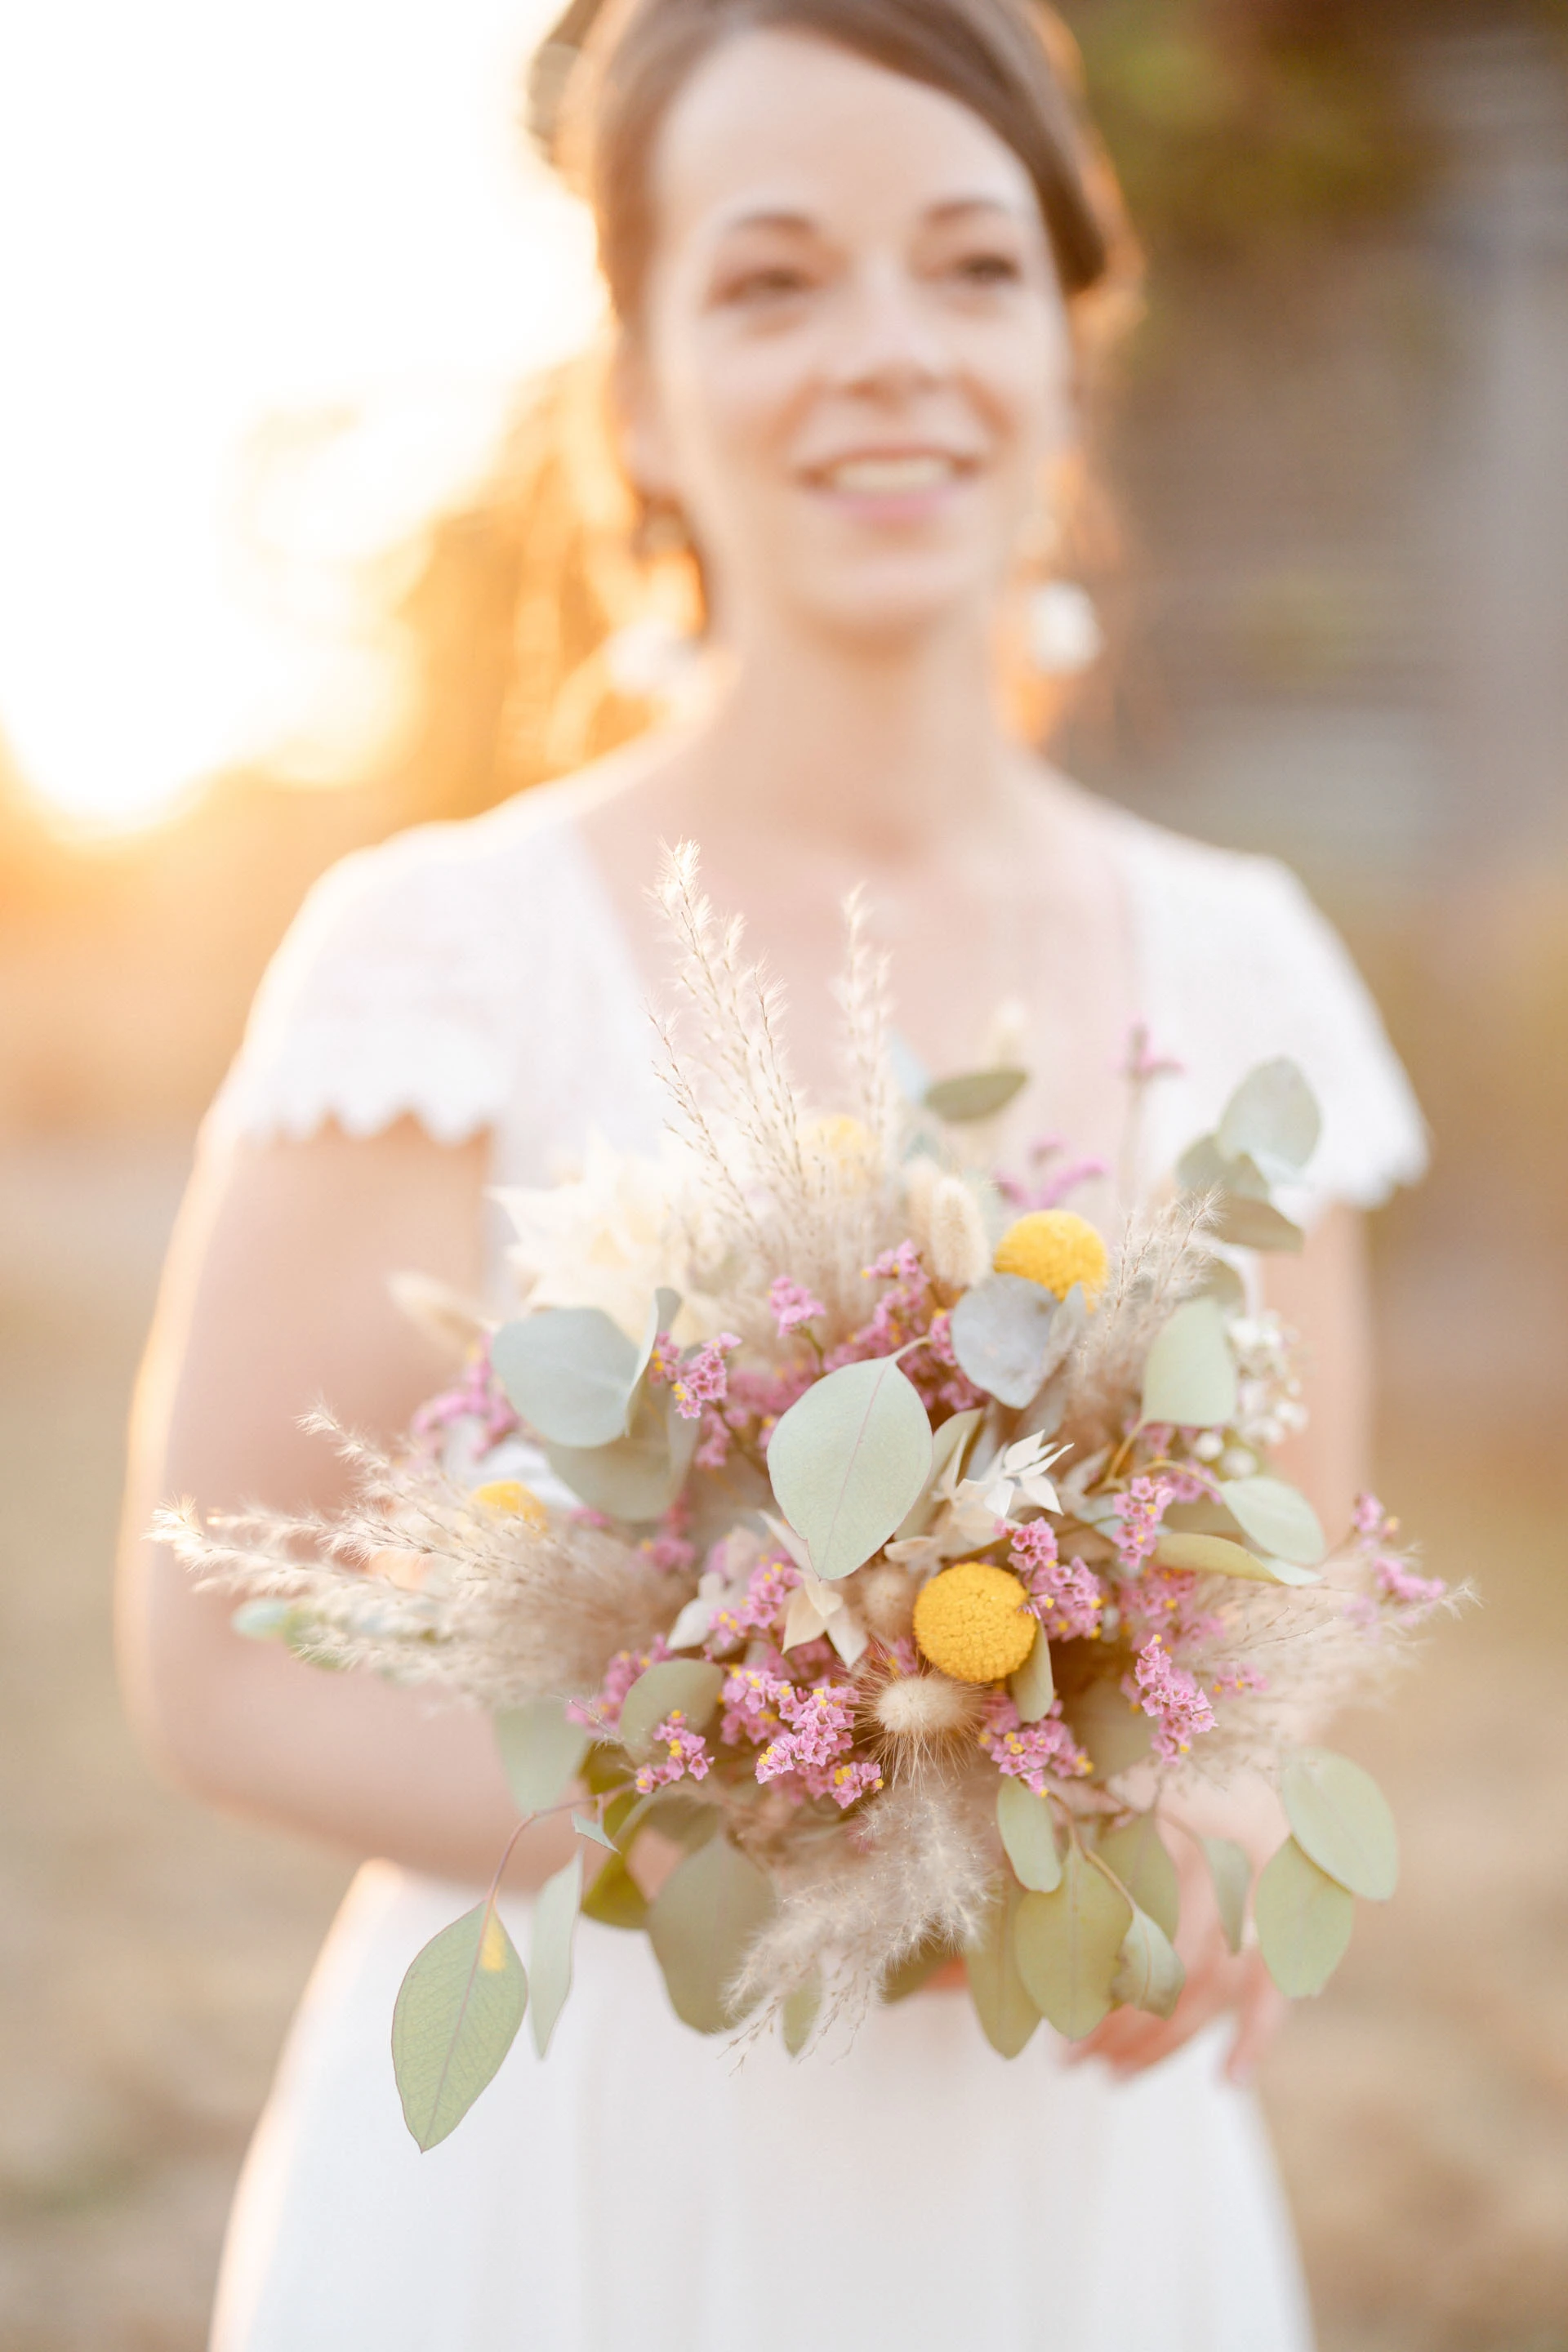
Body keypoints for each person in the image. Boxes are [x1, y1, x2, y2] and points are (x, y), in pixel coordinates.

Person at [118, 1, 1427, 2344]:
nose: (890, 352)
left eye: (967, 263)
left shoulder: (1246, 973)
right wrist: (783, 1799)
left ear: (1066, 338)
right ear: (629, 388)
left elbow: (1275, 1645)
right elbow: (222, 1657)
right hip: (585, 2172)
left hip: (1069, 2175)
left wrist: (1205, 1835)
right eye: (771, 279)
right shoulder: (439, 953)